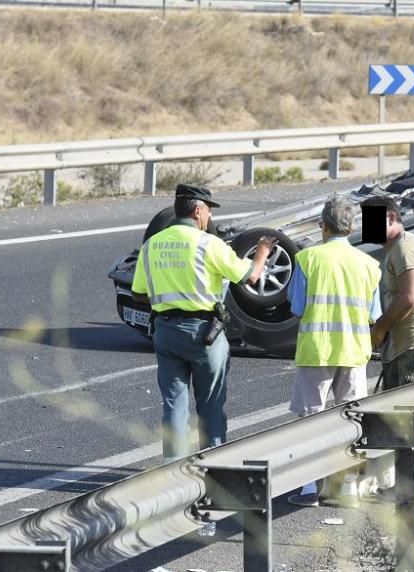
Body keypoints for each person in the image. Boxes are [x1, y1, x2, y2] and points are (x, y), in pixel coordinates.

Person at [132, 183, 275, 464]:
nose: (209, 218)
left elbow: (138, 292)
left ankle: (173, 467)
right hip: (204, 334)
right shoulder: (209, 244)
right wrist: (262, 254)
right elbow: (250, 277)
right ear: (198, 211)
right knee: (210, 404)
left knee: (174, 404)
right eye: (208, 211)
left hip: (165, 331)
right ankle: (214, 465)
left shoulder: (151, 245)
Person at [286, 194, 382, 507]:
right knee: (351, 419)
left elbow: (297, 306)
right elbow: (373, 314)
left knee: (311, 418)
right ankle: (349, 488)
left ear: (323, 227)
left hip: (317, 350)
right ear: (351, 227)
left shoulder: (307, 259)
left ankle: (310, 488)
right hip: (354, 351)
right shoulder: (370, 265)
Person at [362, 194, 414, 473]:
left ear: (392, 218)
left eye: (371, 221)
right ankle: (408, 485)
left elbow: (408, 298)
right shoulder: (397, 249)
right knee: (402, 420)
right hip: (404, 345)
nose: (366, 228)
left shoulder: (406, 248)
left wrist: (380, 329)